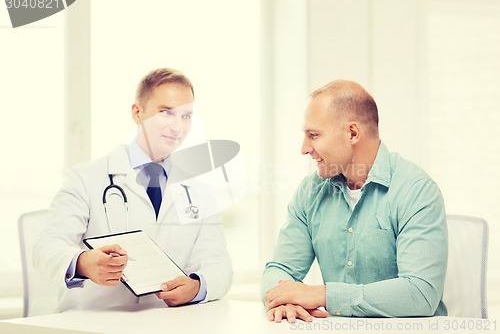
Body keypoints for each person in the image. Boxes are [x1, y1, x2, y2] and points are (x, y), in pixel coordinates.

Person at [33, 68, 232, 311]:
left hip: (165, 323)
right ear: (137, 113)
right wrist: (83, 263)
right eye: (166, 112)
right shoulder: (85, 178)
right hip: (92, 322)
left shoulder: (198, 191)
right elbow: (46, 248)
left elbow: (219, 265)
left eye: (186, 116)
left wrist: (196, 287)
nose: (177, 127)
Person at [261, 80, 447, 322]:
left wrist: (323, 295)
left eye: (313, 135)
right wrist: (282, 301)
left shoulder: (416, 191)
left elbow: (420, 294)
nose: (304, 148)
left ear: (352, 133)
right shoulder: (310, 191)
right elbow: (280, 269)